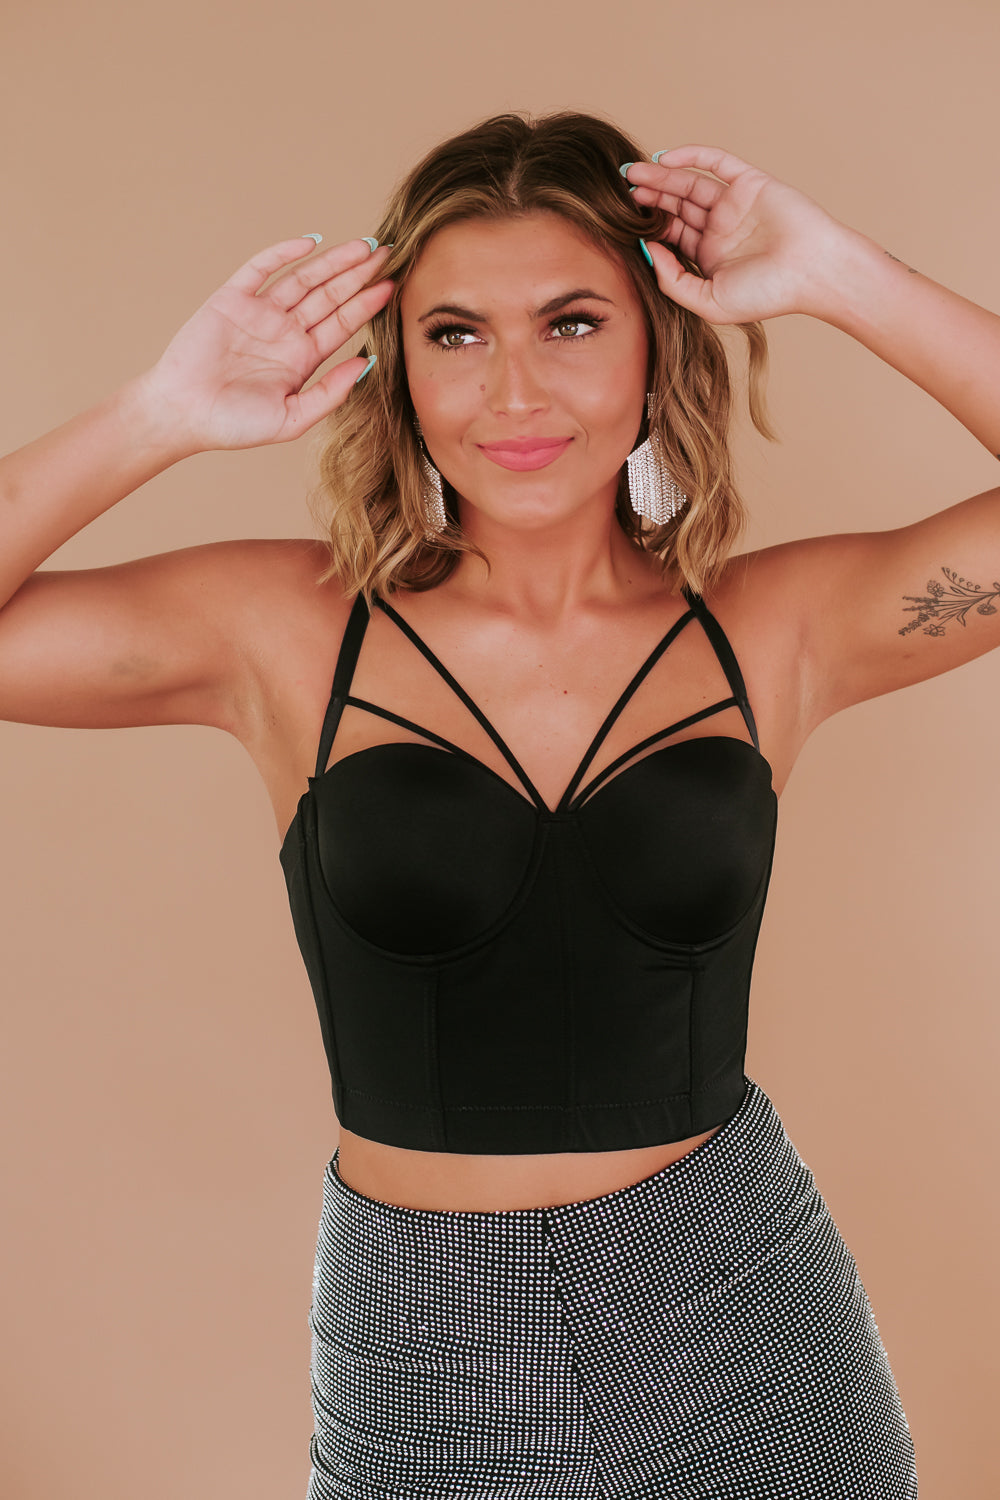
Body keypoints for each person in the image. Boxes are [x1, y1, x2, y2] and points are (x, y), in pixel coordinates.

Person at [6, 107, 997, 1498]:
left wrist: (840, 274)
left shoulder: (770, 630)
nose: (514, 394)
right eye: (456, 334)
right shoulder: (286, 631)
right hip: (424, 1350)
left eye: (572, 324)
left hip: (746, 1326)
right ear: (398, 370)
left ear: (659, 344)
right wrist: (162, 413)